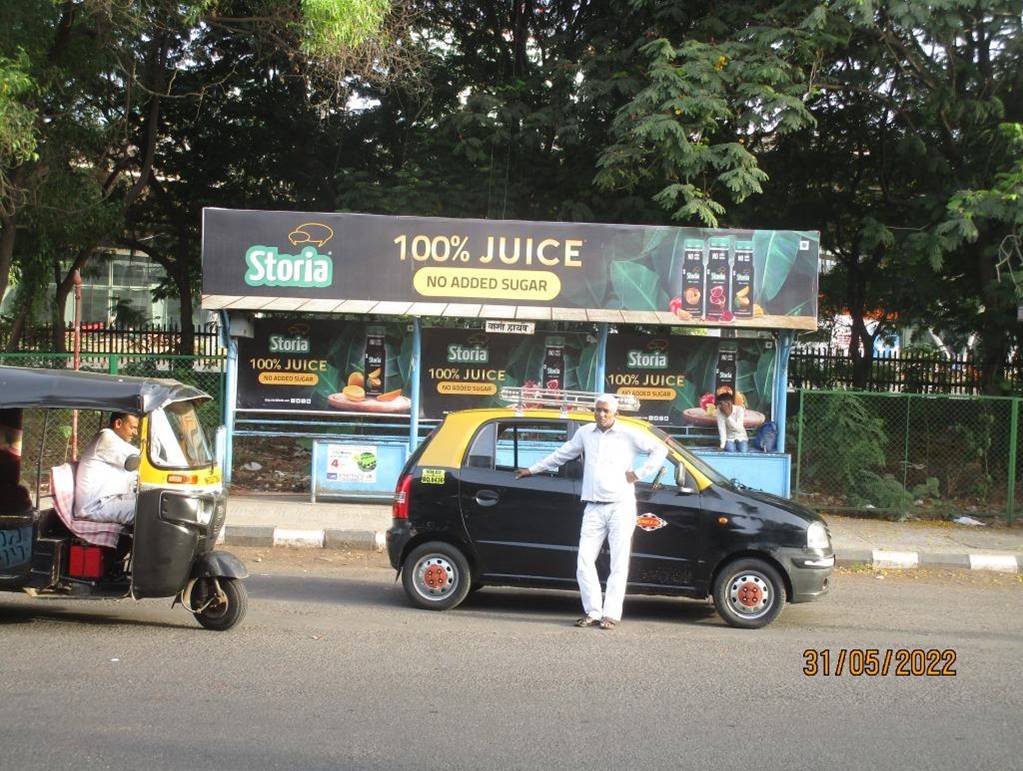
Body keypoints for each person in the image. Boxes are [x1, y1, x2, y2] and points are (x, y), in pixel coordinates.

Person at [515, 394, 667, 630]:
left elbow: (660, 449)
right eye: (598, 410)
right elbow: (562, 454)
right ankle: (593, 611)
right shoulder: (585, 433)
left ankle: (611, 615)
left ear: (615, 413)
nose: (601, 414)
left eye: (606, 411)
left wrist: (639, 473)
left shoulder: (629, 433)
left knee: (618, 562)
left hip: (621, 506)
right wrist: (532, 469)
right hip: (593, 507)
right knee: (584, 560)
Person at [74, 412, 140, 524]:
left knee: (151, 503)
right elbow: (141, 458)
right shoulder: (106, 437)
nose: (136, 433)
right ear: (118, 423)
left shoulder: (115, 441)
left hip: (108, 501)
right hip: (94, 507)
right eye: (132, 428)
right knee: (148, 511)